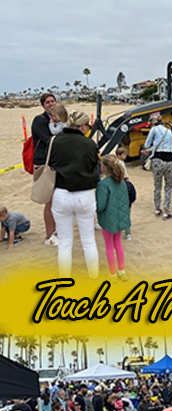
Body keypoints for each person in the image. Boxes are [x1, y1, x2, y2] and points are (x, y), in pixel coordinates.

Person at [48, 111, 100, 278]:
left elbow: (50, 164)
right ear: (83, 126)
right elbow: (94, 167)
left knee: (64, 244)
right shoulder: (90, 144)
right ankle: (94, 278)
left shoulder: (54, 141)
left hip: (61, 193)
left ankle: (65, 280)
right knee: (88, 241)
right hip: (84, 194)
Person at [96, 154, 132, 281]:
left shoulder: (103, 184)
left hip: (108, 219)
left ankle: (112, 273)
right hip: (119, 217)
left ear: (105, 168)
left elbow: (101, 205)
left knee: (109, 246)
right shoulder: (122, 182)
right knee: (118, 244)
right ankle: (121, 270)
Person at [32, 92, 58, 246]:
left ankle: (56, 231)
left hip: (56, 163)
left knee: (58, 200)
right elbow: (49, 140)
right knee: (49, 201)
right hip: (44, 163)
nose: (51, 104)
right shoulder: (39, 120)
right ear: (43, 105)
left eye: (53, 101)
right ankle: (50, 235)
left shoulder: (59, 119)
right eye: (47, 102)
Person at [142, 112, 172, 220]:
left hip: (158, 159)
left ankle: (157, 208)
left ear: (152, 124)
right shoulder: (169, 131)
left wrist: (148, 149)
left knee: (157, 186)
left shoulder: (154, 130)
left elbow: (147, 144)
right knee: (169, 186)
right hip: (170, 159)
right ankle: (167, 210)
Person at [115, 146, 136, 241]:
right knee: (126, 212)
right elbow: (125, 176)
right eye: (124, 155)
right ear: (119, 155)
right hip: (124, 188)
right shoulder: (121, 164)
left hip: (118, 188)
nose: (125, 156)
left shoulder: (115, 164)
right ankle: (128, 233)